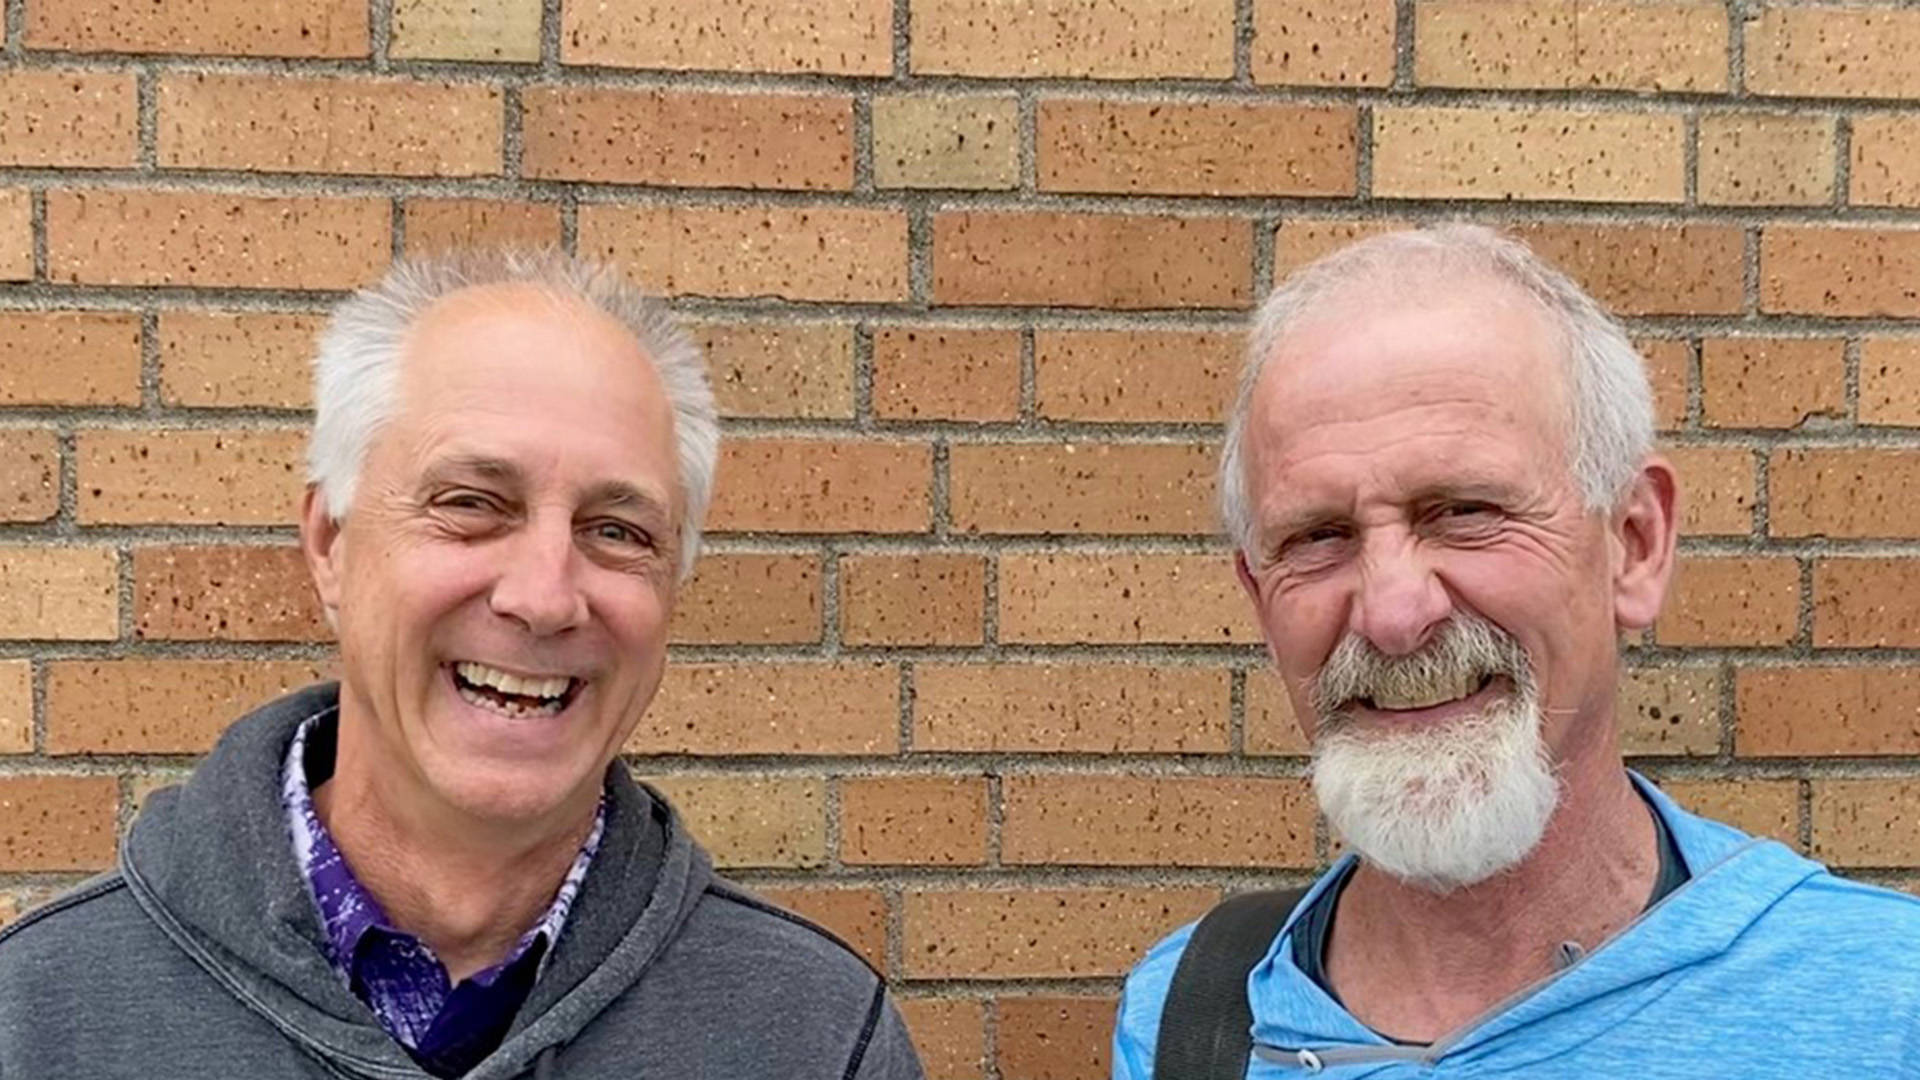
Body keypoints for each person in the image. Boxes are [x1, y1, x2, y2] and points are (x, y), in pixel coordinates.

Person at [0, 251, 925, 1080]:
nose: (545, 594)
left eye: (617, 531)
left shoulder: (816, 1036)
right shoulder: (38, 1019)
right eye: (473, 504)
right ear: (330, 542)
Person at [1112, 225, 1920, 1077]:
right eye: (1318, 536)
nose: (1394, 615)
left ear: (1634, 544)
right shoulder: (1187, 1018)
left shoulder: (1885, 1006)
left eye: (1464, 511)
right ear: (1258, 595)